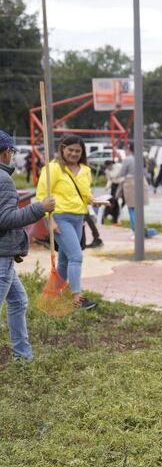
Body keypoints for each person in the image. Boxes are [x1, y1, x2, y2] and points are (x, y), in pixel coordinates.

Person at [0, 131, 55, 361]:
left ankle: (23, 357)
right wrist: (40, 208)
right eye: (12, 151)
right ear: (5, 152)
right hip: (1, 253)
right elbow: (6, 219)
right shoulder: (4, 180)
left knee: (19, 300)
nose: (12, 155)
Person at [34, 135, 98, 310]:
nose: (74, 153)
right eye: (70, 150)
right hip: (59, 218)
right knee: (76, 257)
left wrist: (92, 199)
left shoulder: (85, 170)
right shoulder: (53, 169)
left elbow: (85, 192)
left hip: (78, 218)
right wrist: (50, 220)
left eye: (78, 151)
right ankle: (77, 298)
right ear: (62, 149)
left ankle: (50, 298)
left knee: (64, 260)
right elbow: (41, 196)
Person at [118, 144, 152, 238]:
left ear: (130, 149)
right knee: (139, 209)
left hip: (130, 184)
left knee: (132, 208)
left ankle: (135, 230)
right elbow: (146, 174)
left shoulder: (128, 159)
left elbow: (122, 173)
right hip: (142, 182)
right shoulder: (142, 159)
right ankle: (142, 229)